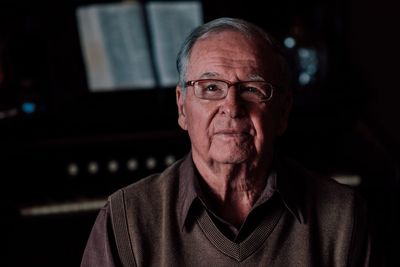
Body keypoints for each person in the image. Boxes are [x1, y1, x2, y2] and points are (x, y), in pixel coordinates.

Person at [80, 17, 372, 266]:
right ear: (182, 108)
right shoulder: (125, 219)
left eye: (252, 89)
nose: (232, 107)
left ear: (283, 111)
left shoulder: (343, 217)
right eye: (210, 88)